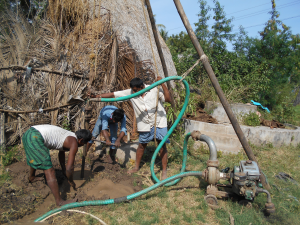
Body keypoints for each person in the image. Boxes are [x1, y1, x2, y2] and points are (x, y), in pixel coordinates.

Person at [90, 76, 171, 180]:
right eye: (133, 90)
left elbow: (168, 99)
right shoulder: (131, 92)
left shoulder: (154, 88)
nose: (134, 92)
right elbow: (113, 95)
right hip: (144, 124)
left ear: (142, 86)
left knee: (162, 146)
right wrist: (96, 96)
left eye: (136, 90)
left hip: (159, 122)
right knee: (141, 146)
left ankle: (164, 170)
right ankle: (136, 167)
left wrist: (162, 83)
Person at [22, 124, 92, 206]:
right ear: (81, 140)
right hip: (35, 137)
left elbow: (61, 152)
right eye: (83, 144)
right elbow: (70, 168)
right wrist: (71, 180)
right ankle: (59, 201)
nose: (81, 146)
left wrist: (63, 170)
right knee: (49, 170)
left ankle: (32, 177)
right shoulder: (74, 143)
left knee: (37, 156)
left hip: (29, 133)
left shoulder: (69, 135)